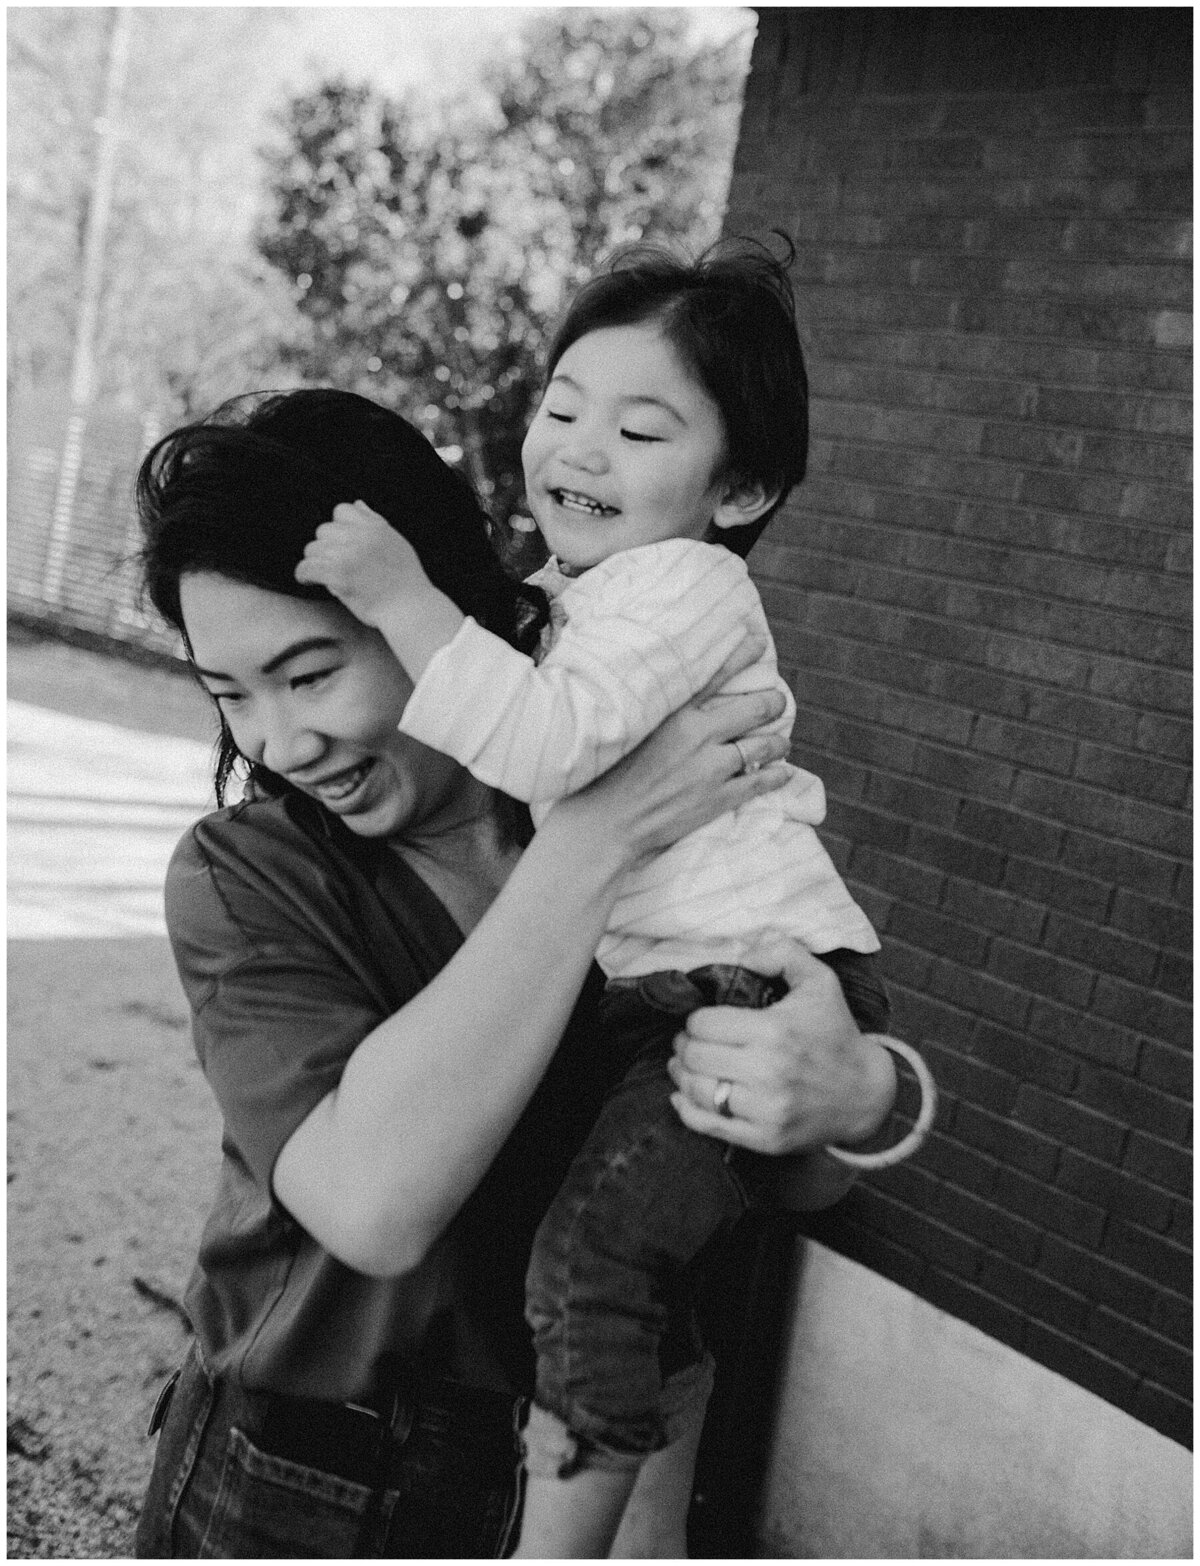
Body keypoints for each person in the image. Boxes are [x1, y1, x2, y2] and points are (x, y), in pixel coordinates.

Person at [131, 386, 902, 1559]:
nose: (279, 747)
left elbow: (784, 1180)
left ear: (432, 604)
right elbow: (377, 1209)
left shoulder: (632, 783)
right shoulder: (249, 879)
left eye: (311, 673)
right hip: (307, 1484)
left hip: (590, 1476)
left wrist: (859, 1099)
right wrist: (594, 846)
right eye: (230, 695)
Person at [294, 242, 933, 1558]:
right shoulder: (595, 591)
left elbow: (545, 745)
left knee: (592, 1263)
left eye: (640, 427)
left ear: (740, 486)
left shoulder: (684, 584)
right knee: (640, 1269)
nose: (578, 446)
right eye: (565, 406)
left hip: (740, 979)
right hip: (676, 979)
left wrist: (403, 599)